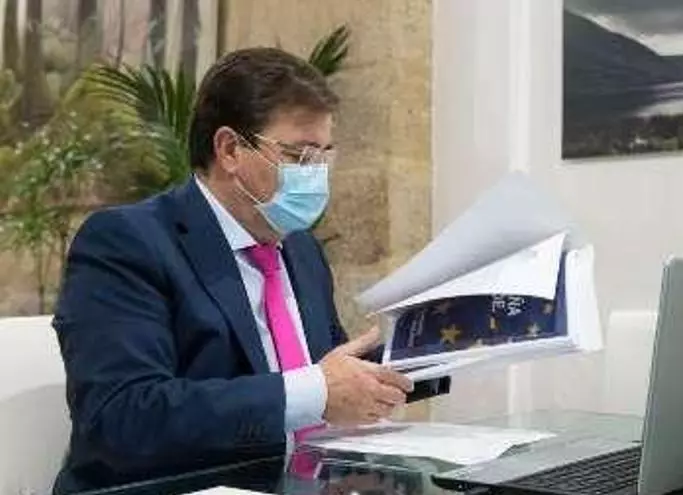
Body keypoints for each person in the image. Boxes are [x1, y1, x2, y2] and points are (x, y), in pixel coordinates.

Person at [51, 47, 413, 494]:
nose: (316, 175)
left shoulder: (302, 250)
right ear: (229, 150)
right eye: (299, 156)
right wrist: (314, 393)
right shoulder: (128, 242)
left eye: (324, 157)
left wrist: (426, 348)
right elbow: (123, 414)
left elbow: (328, 373)